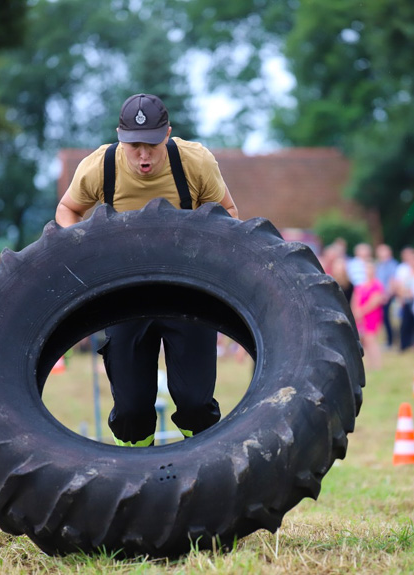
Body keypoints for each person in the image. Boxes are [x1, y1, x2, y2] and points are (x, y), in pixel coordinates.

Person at [55, 93, 239, 447]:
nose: (143, 155)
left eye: (152, 145)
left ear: (167, 135)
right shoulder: (101, 166)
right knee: (131, 411)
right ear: (119, 136)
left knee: (196, 403)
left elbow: (229, 214)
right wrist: (82, 250)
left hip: (187, 294)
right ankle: (139, 471)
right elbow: (68, 210)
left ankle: (198, 463)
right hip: (125, 297)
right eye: (134, 145)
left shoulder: (194, 162)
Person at [351, 260, 384, 370]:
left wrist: (361, 311)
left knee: (371, 339)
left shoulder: (377, 285)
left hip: (372, 315)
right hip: (362, 316)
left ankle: (377, 364)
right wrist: (356, 312)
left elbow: (375, 301)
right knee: (365, 340)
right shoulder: (361, 286)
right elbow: (355, 300)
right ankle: (370, 363)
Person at [374, 243, 398, 349]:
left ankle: (391, 341)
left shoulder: (392, 265)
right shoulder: (379, 265)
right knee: (383, 320)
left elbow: (392, 281)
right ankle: (387, 340)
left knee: (389, 319)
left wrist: (386, 295)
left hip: (388, 297)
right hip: (380, 296)